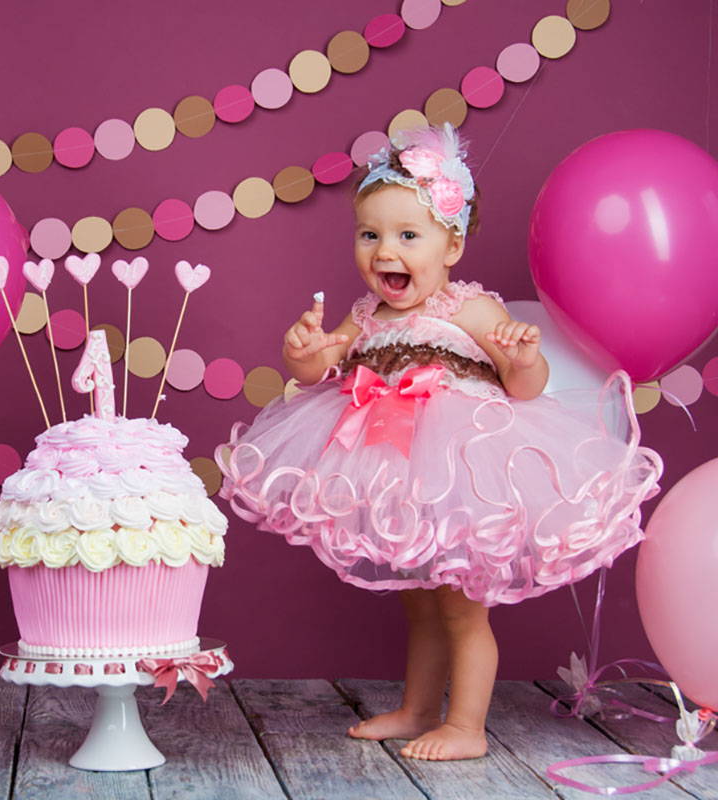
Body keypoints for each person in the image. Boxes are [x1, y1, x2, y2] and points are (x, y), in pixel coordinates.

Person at [217, 124, 663, 761]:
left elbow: (525, 387)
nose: (384, 251)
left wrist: (522, 358)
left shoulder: (466, 309)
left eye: (407, 236)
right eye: (370, 235)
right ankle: (419, 708)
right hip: (396, 467)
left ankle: (467, 726)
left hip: (463, 475)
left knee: (461, 612)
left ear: (450, 245)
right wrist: (304, 353)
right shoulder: (366, 316)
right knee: (421, 605)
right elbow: (323, 369)